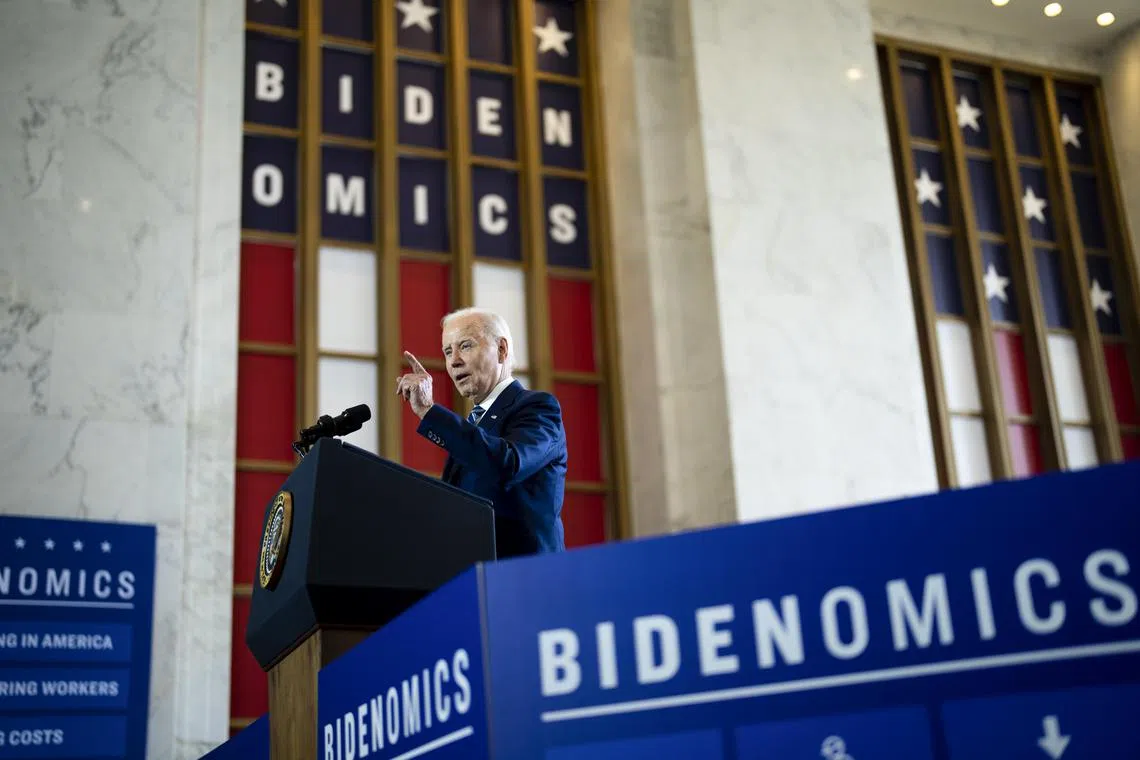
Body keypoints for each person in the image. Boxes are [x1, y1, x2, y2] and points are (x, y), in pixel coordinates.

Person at [395, 307, 567, 559]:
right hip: (475, 576)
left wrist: (430, 412)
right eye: (447, 351)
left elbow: (508, 463)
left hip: (527, 579)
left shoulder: (538, 407)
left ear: (501, 350)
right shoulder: (475, 424)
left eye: (465, 346)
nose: (453, 361)